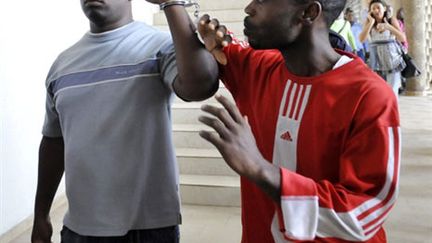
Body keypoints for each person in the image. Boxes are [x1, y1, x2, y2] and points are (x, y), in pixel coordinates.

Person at [196, 0, 401, 242]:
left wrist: (261, 170)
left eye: (263, 1)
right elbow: (226, 49)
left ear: (308, 12)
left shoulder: (369, 96)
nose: (249, 8)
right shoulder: (260, 68)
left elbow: (363, 215)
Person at [31, 0, 219, 242]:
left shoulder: (160, 45)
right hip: (78, 228)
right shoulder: (61, 66)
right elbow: (54, 142)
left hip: (148, 229)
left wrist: (171, 3)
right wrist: (41, 214)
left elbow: (200, 86)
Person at [359, 0, 407, 97]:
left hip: (392, 59)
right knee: (378, 91)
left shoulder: (391, 20)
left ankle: (392, 111)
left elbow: (402, 38)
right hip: (375, 61)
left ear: (384, 9)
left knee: (392, 90)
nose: (376, 11)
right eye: (373, 8)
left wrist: (388, 27)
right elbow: (361, 39)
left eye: (378, 8)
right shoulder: (369, 22)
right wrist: (370, 23)